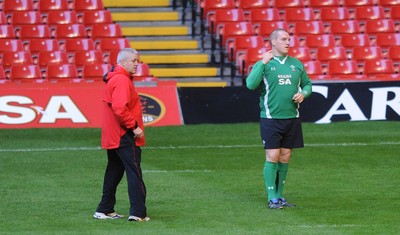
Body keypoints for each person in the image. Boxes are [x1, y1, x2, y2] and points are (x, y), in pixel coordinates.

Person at [246, 28, 312, 209]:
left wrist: (303, 94)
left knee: (285, 157)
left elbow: (307, 84)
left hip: (292, 117)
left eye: (289, 39)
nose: (288, 42)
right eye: (284, 39)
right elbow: (250, 84)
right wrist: (261, 63)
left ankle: (280, 196)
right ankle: (271, 197)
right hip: (270, 118)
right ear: (273, 42)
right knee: (272, 156)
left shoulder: (296, 64)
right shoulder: (266, 63)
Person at [93, 48, 150, 221]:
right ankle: (138, 212)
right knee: (134, 172)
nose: (137, 64)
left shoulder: (114, 78)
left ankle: (104, 209)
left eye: (138, 61)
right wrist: (134, 127)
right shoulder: (122, 80)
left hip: (114, 134)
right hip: (124, 133)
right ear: (123, 61)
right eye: (134, 61)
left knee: (114, 171)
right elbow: (120, 107)